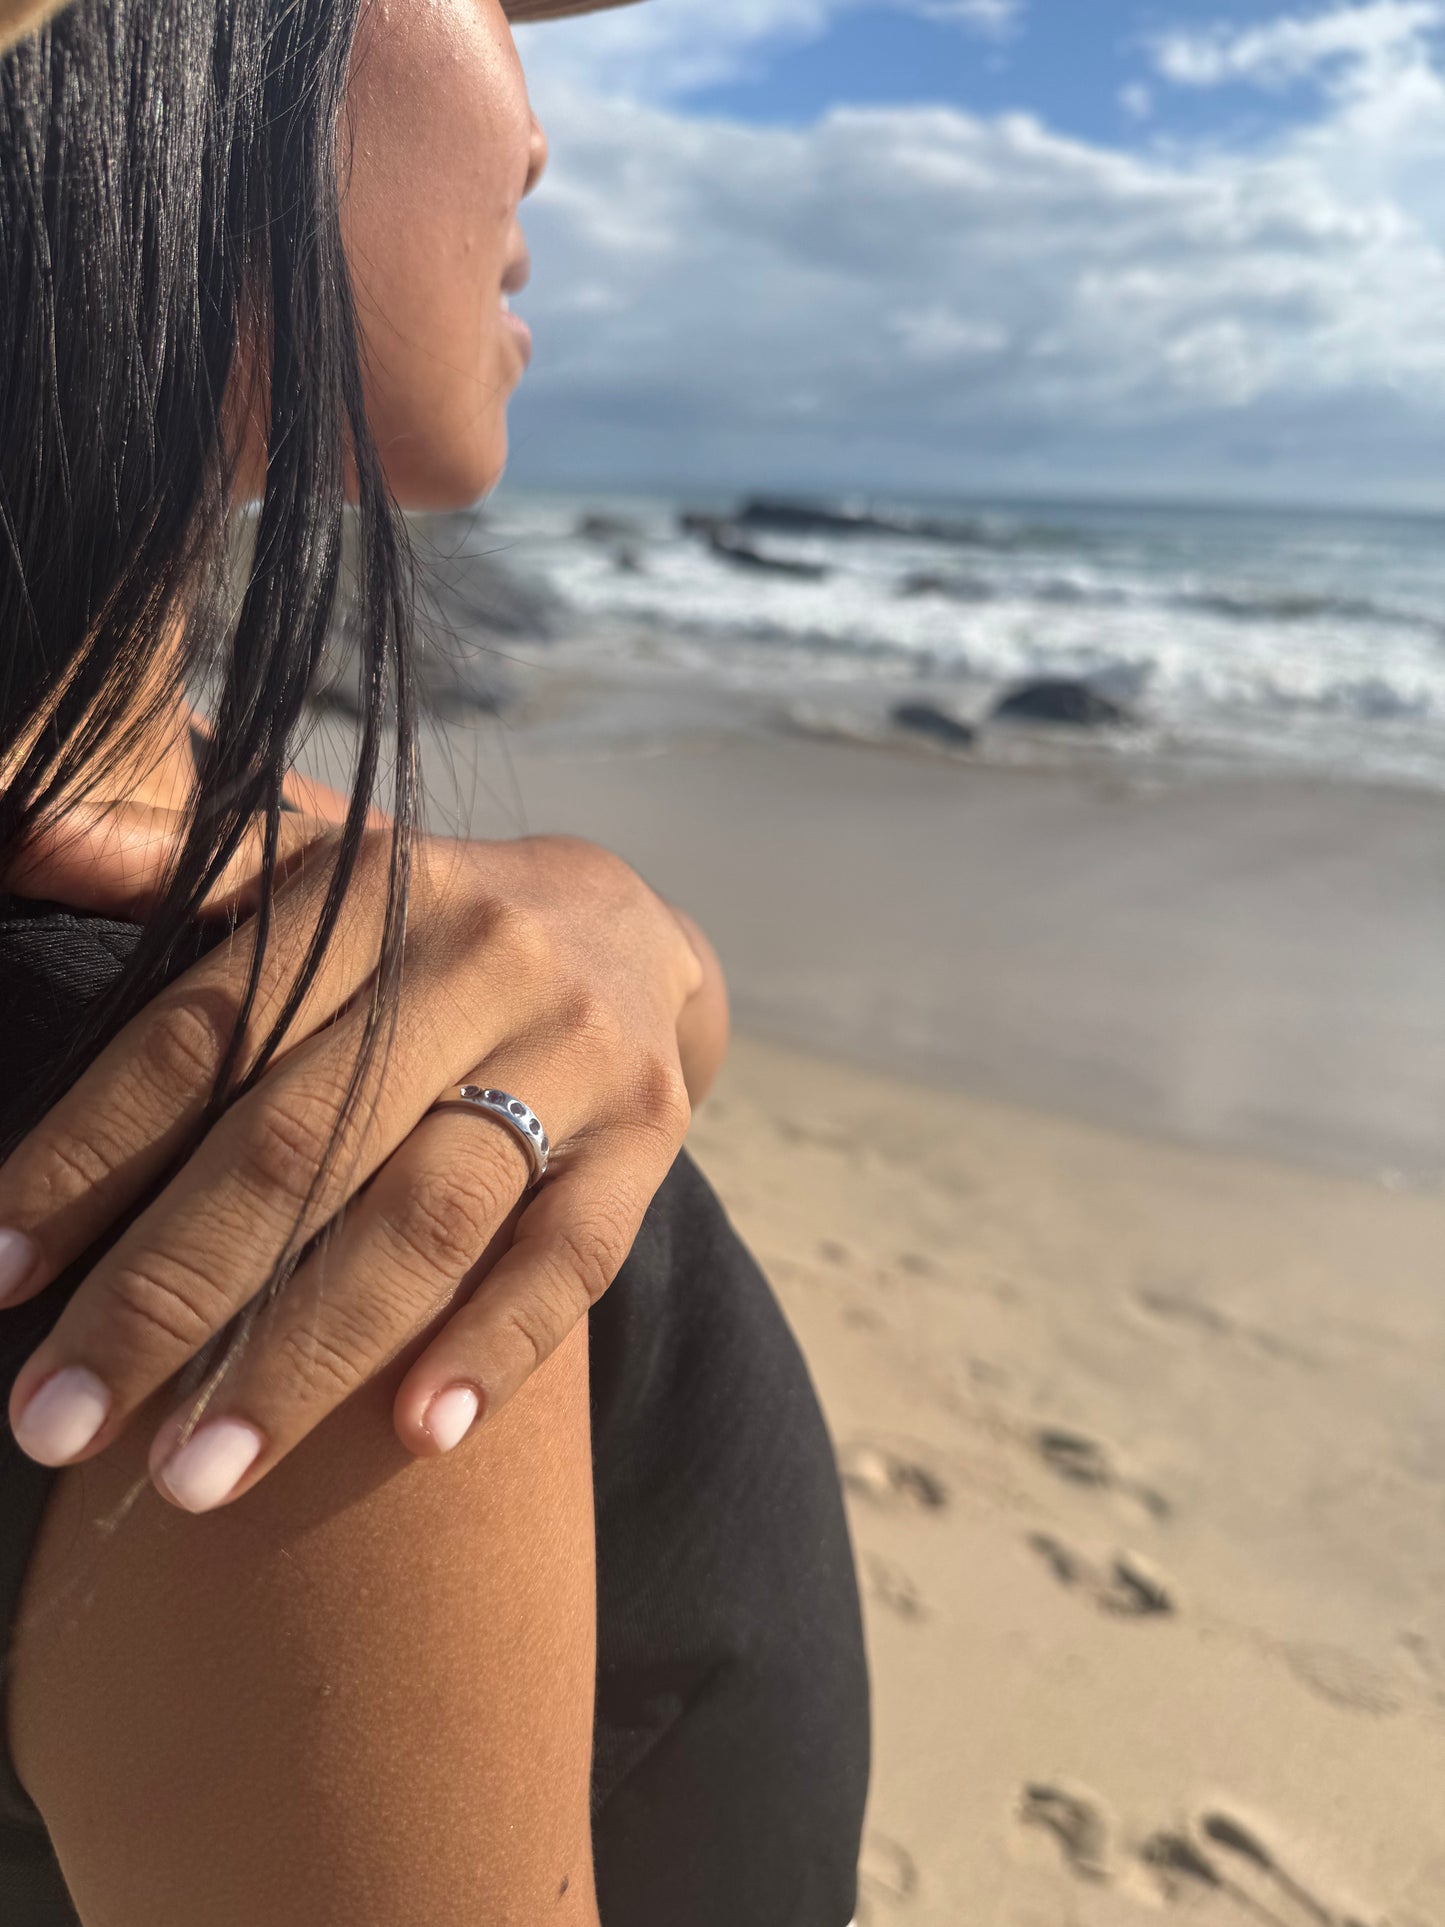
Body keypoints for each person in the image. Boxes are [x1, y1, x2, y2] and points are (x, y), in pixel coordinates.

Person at [0, 0, 870, 1919]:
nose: (540, 134)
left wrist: (620, 935)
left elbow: (674, 1042)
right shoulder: (323, 1155)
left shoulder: (237, 893)